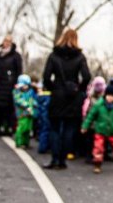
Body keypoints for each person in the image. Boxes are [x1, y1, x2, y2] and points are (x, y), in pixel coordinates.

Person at [41, 27, 91, 170]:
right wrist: (79, 89)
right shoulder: (80, 57)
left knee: (55, 128)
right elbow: (86, 76)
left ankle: (54, 158)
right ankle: (62, 160)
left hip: (57, 94)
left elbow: (46, 76)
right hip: (73, 96)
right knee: (69, 129)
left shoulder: (54, 55)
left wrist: (53, 88)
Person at [82, 79, 113, 174]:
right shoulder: (99, 105)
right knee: (98, 148)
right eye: (108, 96)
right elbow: (90, 116)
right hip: (100, 130)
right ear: (105, 95)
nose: (110, 98)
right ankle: (97, 164)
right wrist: (85, 126)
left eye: (112, 96)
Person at [0, 36, 23, 135]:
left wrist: (16, 83)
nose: (7, 43)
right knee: (0, 107)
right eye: (5, 41)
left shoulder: (15, 55)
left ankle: (9, 127)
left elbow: (19, 70)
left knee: (9, 108)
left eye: (9, 41)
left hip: (10, 85)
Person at [80, 76, 106, 160]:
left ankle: (96, 154)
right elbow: (87, 113)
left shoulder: (104, 99)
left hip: (100, 123)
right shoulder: (90, 99)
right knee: (90, 140)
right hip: (93, 123)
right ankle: (90, 155)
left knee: (98, 141)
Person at [13, 74, 39, 149]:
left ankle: (26, 143)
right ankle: (19, 142)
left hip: (30, 113)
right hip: (22, 113)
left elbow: (33, 100)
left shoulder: (30, 91)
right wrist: (27, 106)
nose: (24, 87)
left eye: (26, 85)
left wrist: (35, 104)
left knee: (28, 129)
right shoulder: (17, 91)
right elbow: (18, 100)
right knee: (21, 128)